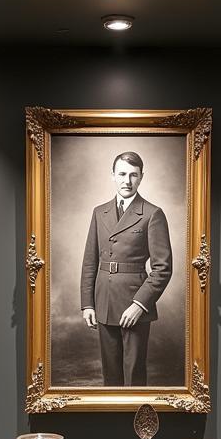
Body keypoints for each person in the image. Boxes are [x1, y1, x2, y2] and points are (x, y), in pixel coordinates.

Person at [81, 151, 172, 386]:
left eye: (133, 175)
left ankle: (134, 422)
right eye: (122, 174)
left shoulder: (152, 214)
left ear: (142, 177)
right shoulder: (99, 212)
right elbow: (90, 261)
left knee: (134, 374)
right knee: (110, 376)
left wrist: (140, 305)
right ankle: (112, 422)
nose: (127, 181)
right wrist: (88, 304)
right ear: (112, 175)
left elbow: (163, 267)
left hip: (134, 303)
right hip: (103, 302)